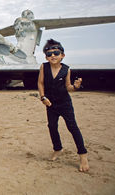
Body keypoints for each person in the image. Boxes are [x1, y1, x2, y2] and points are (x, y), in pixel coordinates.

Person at [37, 39, 89, 172]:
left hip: (65, 103)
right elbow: (41, 83)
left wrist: (75, 87)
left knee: (72, 127)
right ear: (46, 57)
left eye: (56, 53)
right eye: (49, 54)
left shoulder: (66, 69)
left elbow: (68, 87)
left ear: (62, 55)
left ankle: (83, 155)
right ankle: (57, 148)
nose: (53, 55)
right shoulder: (44, 67)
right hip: (50, 103)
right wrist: (43, 97)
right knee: (52, 126)